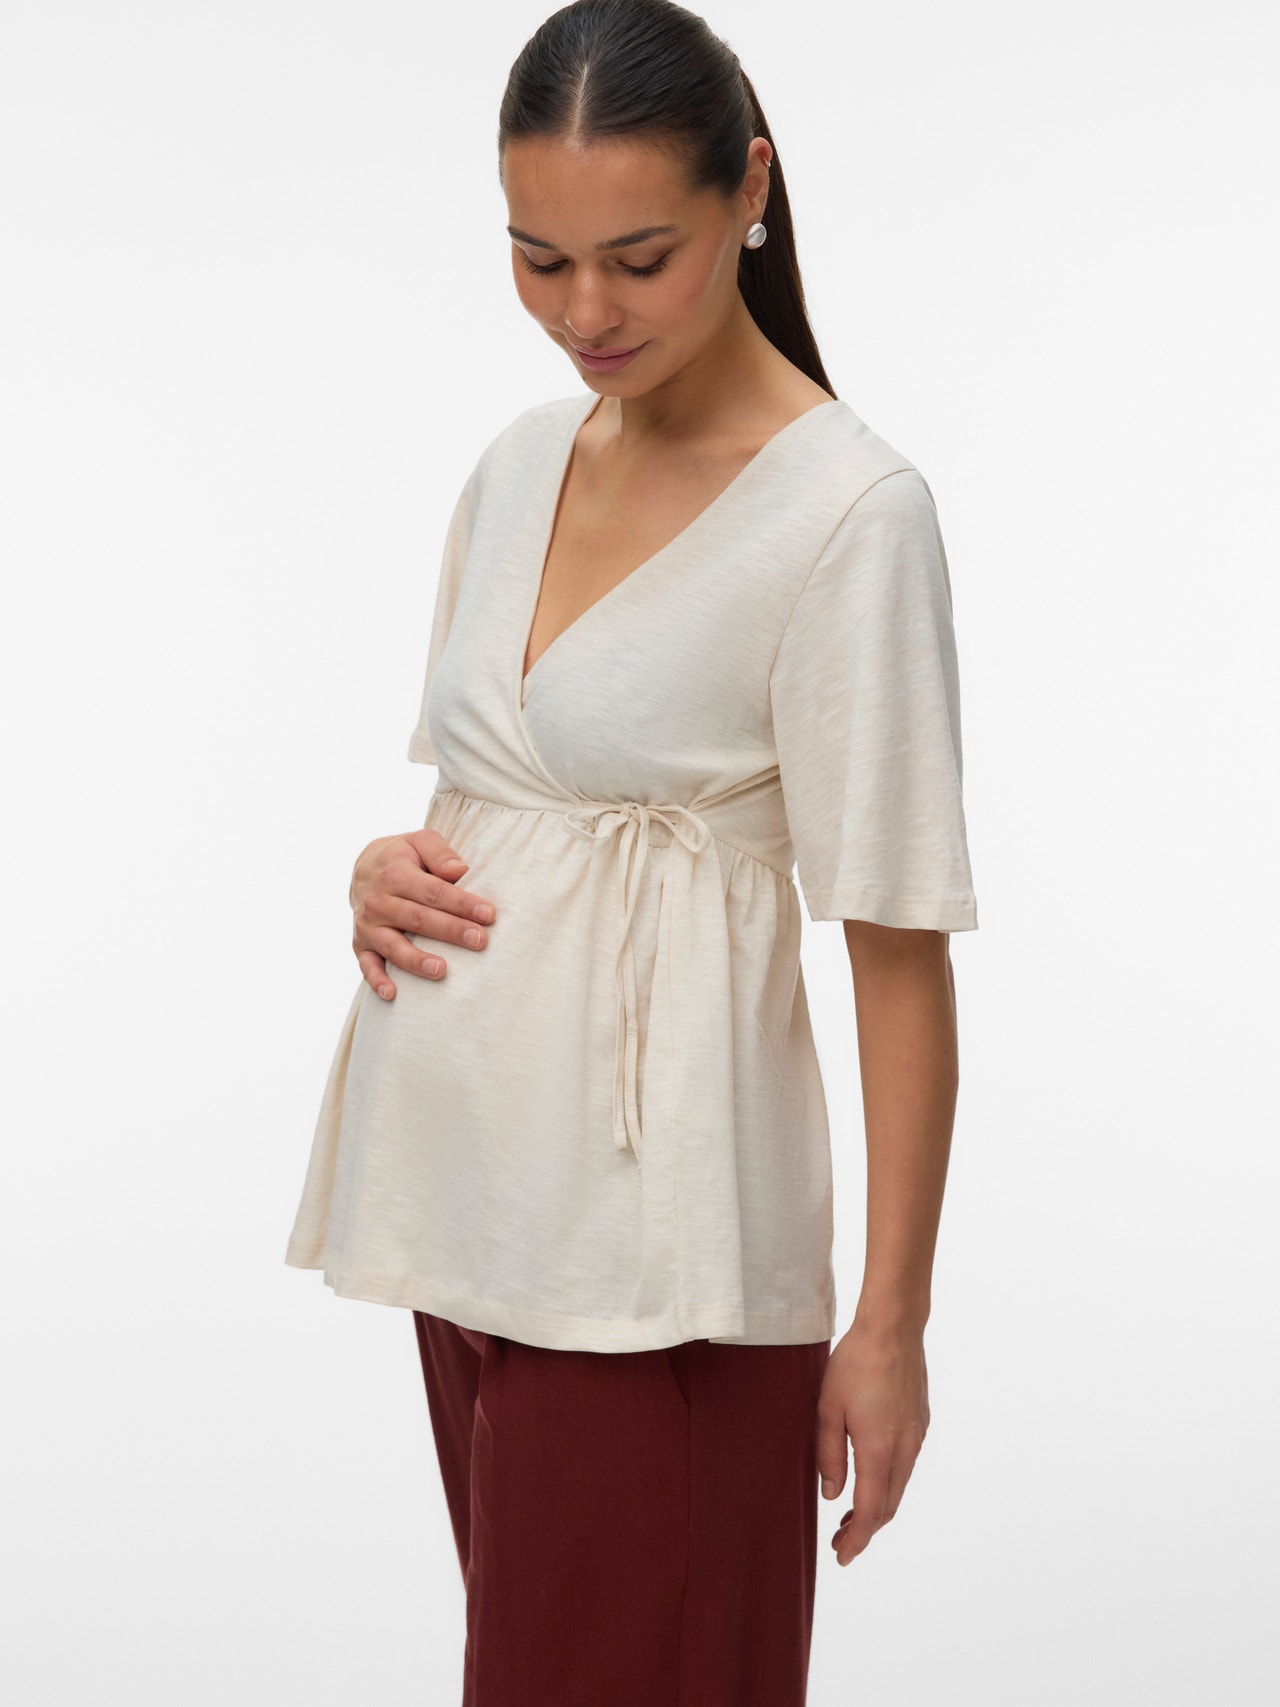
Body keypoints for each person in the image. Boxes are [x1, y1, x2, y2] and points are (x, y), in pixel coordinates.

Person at [284, 1, 978, 1701]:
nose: (583, 314)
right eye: (538, 260)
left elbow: (896, 947)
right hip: (464, 1210)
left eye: (637, 259)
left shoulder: (848, 516)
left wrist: (888, 1324)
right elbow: (513, 793)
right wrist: (386, 870)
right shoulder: (521, 463)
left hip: (658, 1262)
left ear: (752, 191)